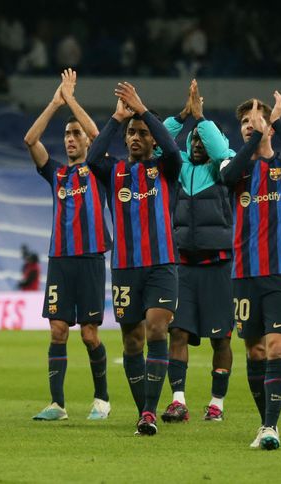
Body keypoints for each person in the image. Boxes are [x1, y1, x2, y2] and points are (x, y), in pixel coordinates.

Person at [86, 82, 182, 436]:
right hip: (125, 268)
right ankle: (145, 410)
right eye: (131, 133)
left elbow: (172, 147)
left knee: (157, 327)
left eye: (142, 132)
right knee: (131, 341)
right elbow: (93, 157)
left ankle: (149, 412)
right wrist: (117, 118)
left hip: (161, 265)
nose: (136, 137)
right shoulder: (114, 171)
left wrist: (142, 110)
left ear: (154, 139)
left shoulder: (166, 167)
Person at [219, 92, 281, 450]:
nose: (249, 126)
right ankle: (263, 423)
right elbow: (227, 178)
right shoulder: (236, 169)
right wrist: (257, 136)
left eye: (254, 121)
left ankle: (271, 426)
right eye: (244, 123)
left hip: (279, 273)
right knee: (255, 351)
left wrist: (277, 125)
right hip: (243, 274)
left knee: (276, 348)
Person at [23, 68, 112, 421]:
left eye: (75, 134)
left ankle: (102, 400)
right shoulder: (56, 173)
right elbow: (31, 140)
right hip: (60, 259)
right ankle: (57, 404)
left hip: (90, 259)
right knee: (58, 331)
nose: (71, 138)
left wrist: (72, 101)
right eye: (67, 134)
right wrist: (54, 103)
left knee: (89, 335)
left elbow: (96, 132)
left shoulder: (99, 169)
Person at [158, 80, 236, 423]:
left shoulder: (224, 167)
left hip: (218, 266)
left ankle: (216, 404)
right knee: (178, 332)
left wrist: (202, 120)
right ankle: (178, 401)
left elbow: (221, 151)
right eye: (195, 138)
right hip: (184, 267)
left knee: (221, 338)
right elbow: (160, 144)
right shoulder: (179, 169)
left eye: (204, 138)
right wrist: (183, 116)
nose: (200, 143)